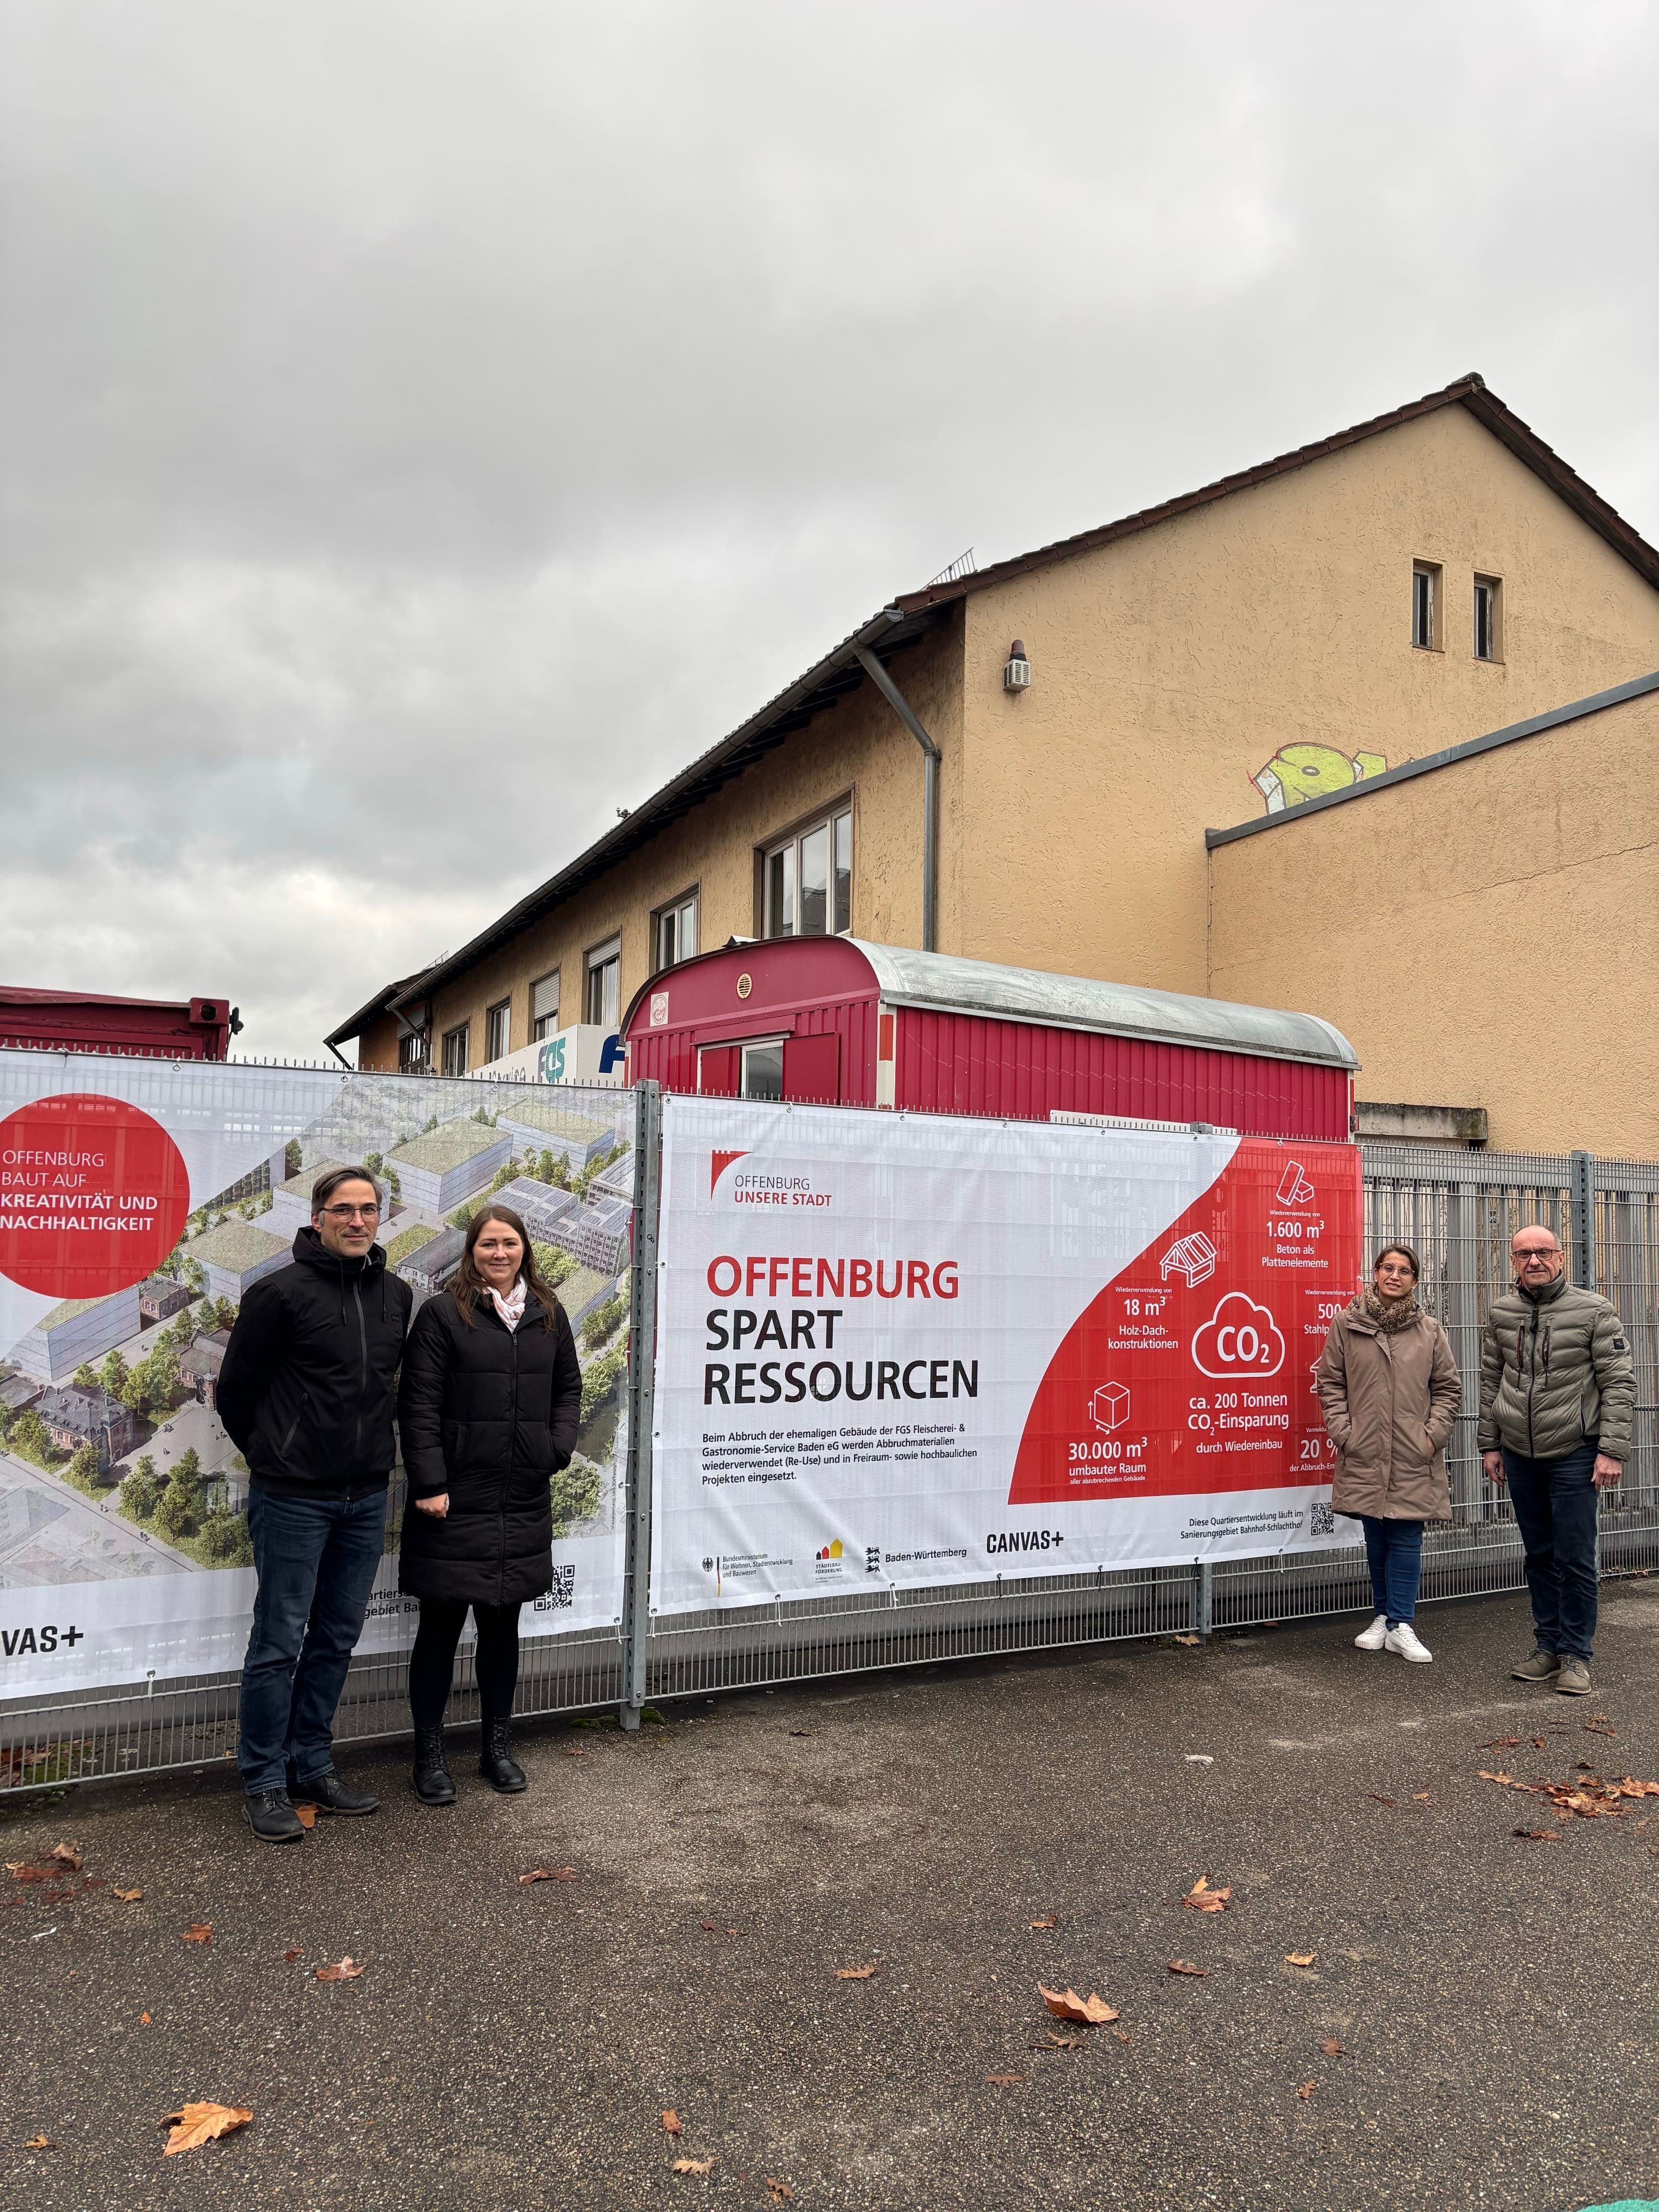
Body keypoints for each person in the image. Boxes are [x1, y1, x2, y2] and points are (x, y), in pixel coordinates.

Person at [218, 1166, 412, 1843]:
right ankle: (265, 1779)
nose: (357, 1221)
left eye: (367, 1210)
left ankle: (312, 1763)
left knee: (335, 1637)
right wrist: (277, 1455)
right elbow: (235, 1393)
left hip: (366, 1497)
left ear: (379, 1217)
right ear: (318, 1217)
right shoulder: (278, 1294)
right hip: (293, 1498)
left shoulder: (397, 1295)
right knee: (278, 1642)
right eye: (343, 1210)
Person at [395, 1204, 582, 1803]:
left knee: (502, 1633)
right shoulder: (442, 1315)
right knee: (440, 1632)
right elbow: (418, 1404)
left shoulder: (548, 1315)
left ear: (524, 1248)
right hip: (453, 1499)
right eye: (487, 1244)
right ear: (470, 1250)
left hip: (521, 1496)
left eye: (508, 1243)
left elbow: (568, 1387)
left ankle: (496, 1750)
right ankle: (429, 1756)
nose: (498, 1254)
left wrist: (556, 1448)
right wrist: (428, 1482)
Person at [1480, 1224, 1635, 1697]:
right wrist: (1491, 1445)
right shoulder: (1502, 1314)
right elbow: (1490, 1383)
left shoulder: (1594, 1310)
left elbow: (1619, 1384)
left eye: (1543, 1252)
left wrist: (1611, 1450)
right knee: (1539, 1556)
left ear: (1561, 1257)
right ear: (1512, 1262)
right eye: (1524, 1254)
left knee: (1575, 1558)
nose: (1534, 1261)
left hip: (1575, 1452)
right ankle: (1547, 1646)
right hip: (1520, 1455)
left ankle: (1575, 1655)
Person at [1317, 1243, 1461, 1663]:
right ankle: (1383, 1616)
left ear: (1414, 1281)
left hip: (1414, 1452)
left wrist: (1431, 1436)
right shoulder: (1347, 1324)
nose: (1394, 1275)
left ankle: (1402, 1623)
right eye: (1387, 1268)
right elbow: (1330, 1384)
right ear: (1375, 1274)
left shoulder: (1430, 1330)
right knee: (1376, 1536)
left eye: (1404, 1270)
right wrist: (1346, 1433)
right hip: (1365, 1449)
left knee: (1407, 1535)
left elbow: (1448, 1390)